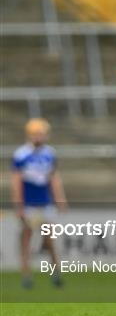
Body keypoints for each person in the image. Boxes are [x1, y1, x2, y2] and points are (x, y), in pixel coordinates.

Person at [11, 118, 67, 289]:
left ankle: (55, 272)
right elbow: (16, 181)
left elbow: (53, 178)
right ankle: (26, 275)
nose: (38, 137)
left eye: (41, 134)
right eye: (35, 134)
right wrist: (18, 205)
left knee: (49, 239)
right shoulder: (21, 155)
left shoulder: (49, 153)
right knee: (26, 238)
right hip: (29, 204)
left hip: (45, 203)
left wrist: (60, 198)